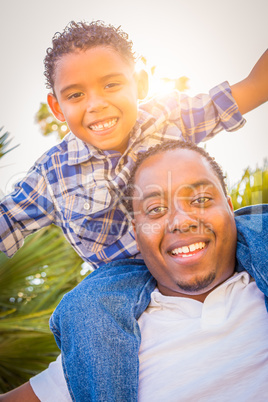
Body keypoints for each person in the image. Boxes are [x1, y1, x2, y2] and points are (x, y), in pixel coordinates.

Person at [2, 140, 267, 401]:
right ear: (135, 232)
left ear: (230, 209)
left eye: (200, 199)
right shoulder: (101, 344)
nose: (182, 221)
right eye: (156, 209)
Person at [0, 20, 268, 268]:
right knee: (81, 303)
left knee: (261, 228)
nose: (96, 104)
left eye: (111, 85)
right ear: (57, 108)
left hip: (198, 244)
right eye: (76, 94)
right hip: (128, 277)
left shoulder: (169, 115)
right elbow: (6, 220)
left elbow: (255, 86)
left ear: (140, 83)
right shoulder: (52, 172)